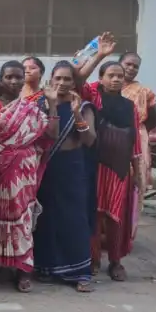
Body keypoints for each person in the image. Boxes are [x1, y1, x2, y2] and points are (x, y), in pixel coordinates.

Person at [0, 61, 50, 293]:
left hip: (24, 171)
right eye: (9, 77)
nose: (14, 81)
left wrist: (54, 105)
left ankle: (23, 269)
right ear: (1, 79)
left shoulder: (31, 108)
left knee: (23, 218)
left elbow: (51, 136)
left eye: (19, 76)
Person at [33, 62, 97, 292]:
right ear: (51, 79)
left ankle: (80, 273)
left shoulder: (83, 106)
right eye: (58, 78)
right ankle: (47, 267)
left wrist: (76, 113)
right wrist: (51, 105)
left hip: (72, 166)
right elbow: (43, 135)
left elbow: (89, 140)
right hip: (47, 165)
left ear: (74, 82)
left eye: (67, 79)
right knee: (46, 217)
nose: (62, 83)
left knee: (74, 218)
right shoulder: (41, 103)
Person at [86, 61, 140, 281]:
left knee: (116, 217)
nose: (116, 79)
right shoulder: (93, 99)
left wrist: (138, 174)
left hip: (119, 169)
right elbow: (80, 79)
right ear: (101, 78)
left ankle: (116, 261)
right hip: (95, 165)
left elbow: (134, 140)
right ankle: (93, 259)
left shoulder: (130, 106)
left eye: (119, 76)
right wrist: (98, 55)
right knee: (94, 214)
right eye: (111, 75)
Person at [119, 52, 156, 205]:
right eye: (128, 64)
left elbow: (155, 117)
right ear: (119, 64)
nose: (131, 68)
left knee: (135, 179)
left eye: (135, 66)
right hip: (112, 139)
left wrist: (140, 130)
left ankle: (132, 214)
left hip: (136, 138)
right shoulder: (104, 87)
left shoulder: (143, 92)